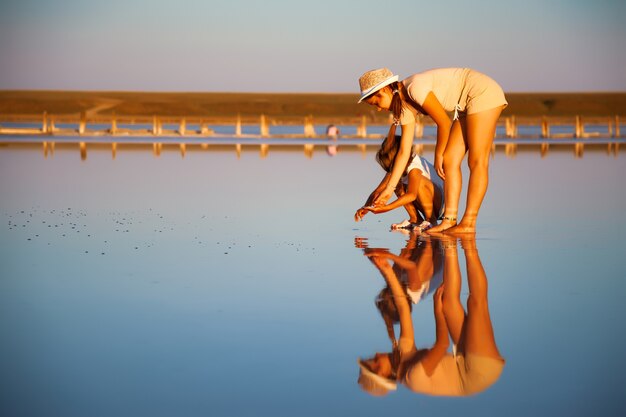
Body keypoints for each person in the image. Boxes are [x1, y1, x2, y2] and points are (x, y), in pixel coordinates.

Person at [357, 67, 507, 234]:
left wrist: (438, 154)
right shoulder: (404, 107)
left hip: (481, 92)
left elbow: (443, 122)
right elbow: (404, 152)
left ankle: (469, 223)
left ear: (384, 90)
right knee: (450, 160)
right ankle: (449, 221)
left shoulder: (414, 88)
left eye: (376, 103)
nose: (378, 108)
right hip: (463, 105)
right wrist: (388, 190)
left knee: (476, 160)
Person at [357, 236, 505, 397]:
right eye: (375, 360)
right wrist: (436, 308)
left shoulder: (403, 356)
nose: (377, 353)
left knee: (448, 303)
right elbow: (442, 345)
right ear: (383, 373)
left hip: (463, 364)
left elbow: (403, 309)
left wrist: (385, 269)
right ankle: (469, 245)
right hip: (479, 372)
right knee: (477, 303)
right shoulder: (413, 377)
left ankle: (450, 245)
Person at [354, 125, 444, 232]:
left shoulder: (414, 167)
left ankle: (430, 220)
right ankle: (416, 219)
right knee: (394, 184)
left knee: (418, 183)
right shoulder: (397, 167)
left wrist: (387, 208)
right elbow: (379, 190)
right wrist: (365, 207)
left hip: (440, 205)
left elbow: (412, 195)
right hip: (425, 202)